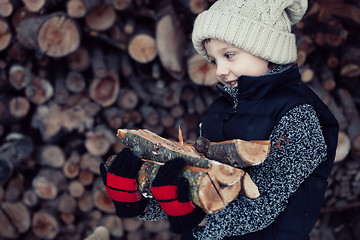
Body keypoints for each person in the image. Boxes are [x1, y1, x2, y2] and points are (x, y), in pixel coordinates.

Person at [100, 0, 339, 239]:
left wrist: (195, 217)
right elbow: (199, 187)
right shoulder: (221, 110)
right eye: (214, 60)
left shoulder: (298, 115)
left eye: (229, 55)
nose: (219, 70)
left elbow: (265, 203)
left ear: (266, 49)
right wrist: (142, 200)